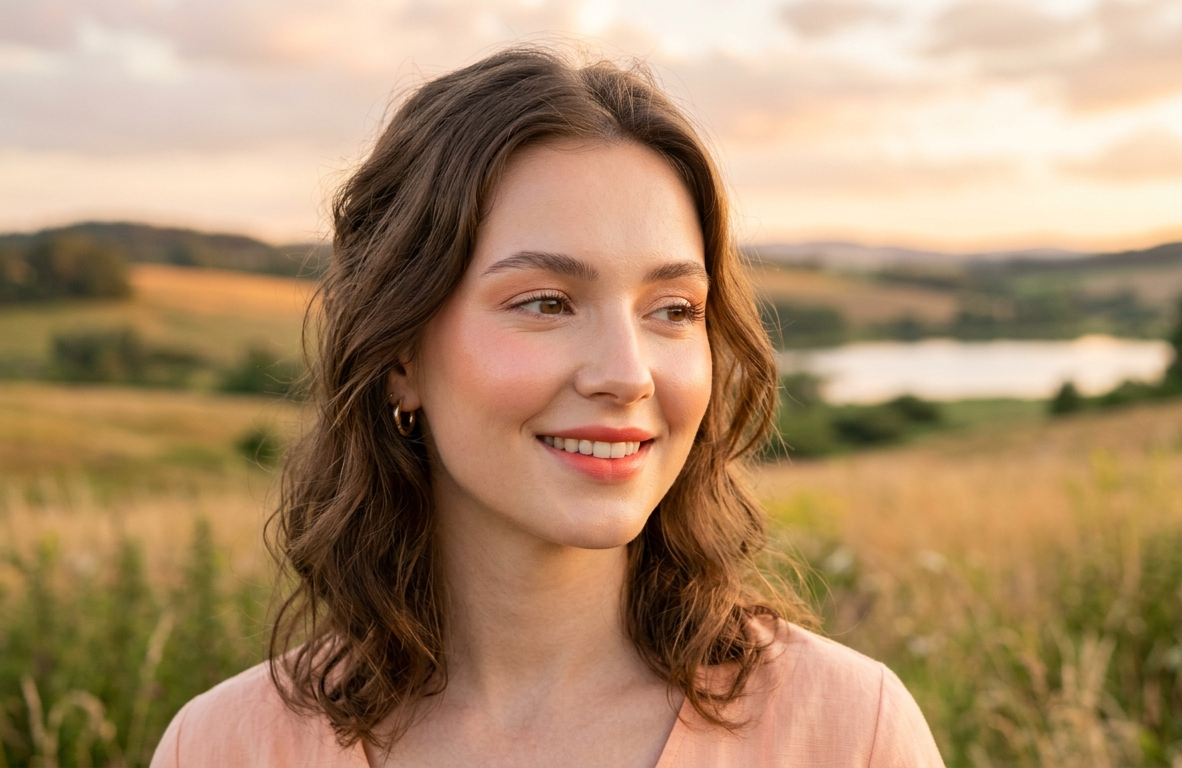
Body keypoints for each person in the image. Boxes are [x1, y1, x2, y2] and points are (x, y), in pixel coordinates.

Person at [150, 46, 945, 768]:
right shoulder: (223, 747)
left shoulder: (849, 733)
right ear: (400, 356)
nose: (627, 374)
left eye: (672, 309)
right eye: (546, 302)